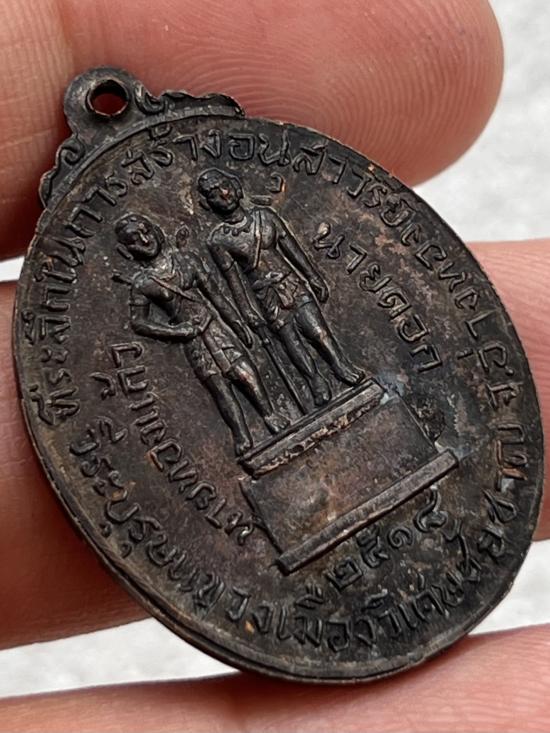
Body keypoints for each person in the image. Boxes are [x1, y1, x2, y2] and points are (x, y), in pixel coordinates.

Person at [2, 1, 550, 731]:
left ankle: (339, 391)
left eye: (221, 192)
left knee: (320, 356)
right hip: (229, 329)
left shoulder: (257, 220)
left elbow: (288, 253)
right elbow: (213, 294)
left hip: (287, 297)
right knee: (247, 399)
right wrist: (196, 323)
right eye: (133, 236)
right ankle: (272, 437)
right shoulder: (178, 262)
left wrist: (310, 283)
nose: (219, 197)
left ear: (233, 191)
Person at [115, 213, 288, 456]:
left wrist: (237, 323)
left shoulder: (187, 260)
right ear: (128, 250)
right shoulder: (142, 284)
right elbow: (138, 322)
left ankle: (269, 414)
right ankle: (241, 434)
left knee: (245, 371)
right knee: (220, 387)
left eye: (145, 232)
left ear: (155, 230)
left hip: (214, 328)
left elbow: (216, 296)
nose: (144, 241)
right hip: (192, 338)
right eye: (134, 240)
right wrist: (175, 331)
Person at [199, 168, 365, 407]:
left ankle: (341, 366)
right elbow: (232, 280)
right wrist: (246, 311)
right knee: (291, 342)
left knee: (318, 331)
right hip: (266, 294)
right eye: (214, 194)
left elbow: (292, 250)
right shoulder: (218, 240)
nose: (223, 194)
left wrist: (313, 276)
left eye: (224, 186)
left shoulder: (265, 216)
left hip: (291, 282)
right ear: (208, 204)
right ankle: (315, 381)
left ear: (235, 185)